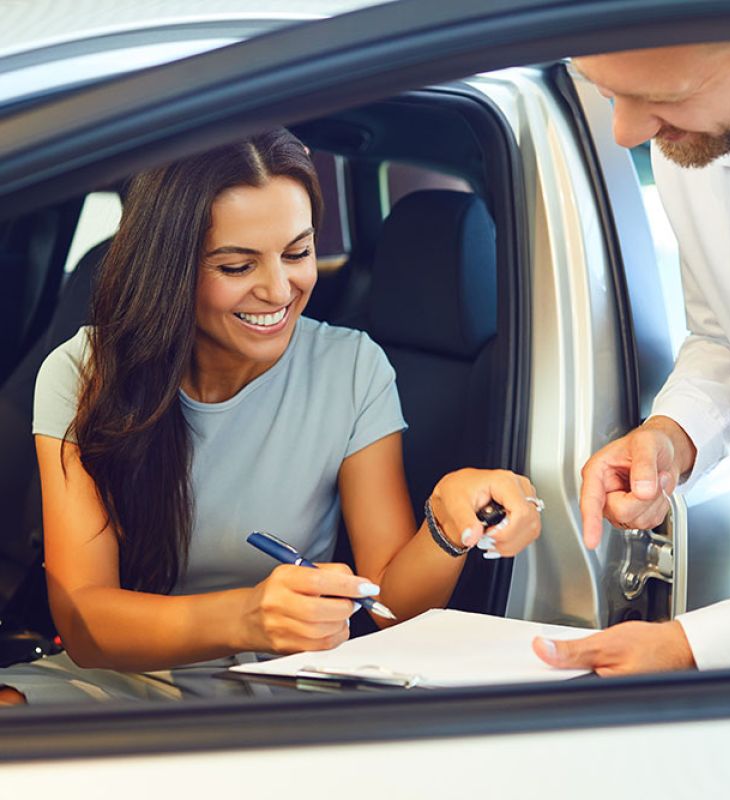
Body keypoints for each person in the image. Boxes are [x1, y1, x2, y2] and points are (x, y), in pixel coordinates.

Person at [0, 128, 542, 703]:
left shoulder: (353, 368)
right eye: (237, 266)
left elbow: (389, 610)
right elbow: (86, 623)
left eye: (298, 252)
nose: (280, 289)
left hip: (285, 689)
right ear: (168, 269)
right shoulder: (84, 372)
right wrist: (248, 616)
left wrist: (445, 522)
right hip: (118, 680)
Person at [531, 39, 730, 675]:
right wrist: (670, 437)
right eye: (606, 92)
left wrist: (689, 648)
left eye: (662, 96)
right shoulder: (690, 141)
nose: (627, 133)